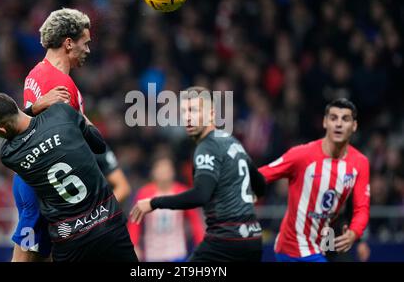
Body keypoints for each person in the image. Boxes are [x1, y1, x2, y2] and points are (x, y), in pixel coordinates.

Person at [13, 8, 130, 261]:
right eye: (85, 43)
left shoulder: (35, 72)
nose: (88, 50)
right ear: (68, 43)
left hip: (32, 181)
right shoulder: (62, 86)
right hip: (48, 188)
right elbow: (68, 145)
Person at [0, 92, 138, 262]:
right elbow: (98, 145)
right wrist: (77, 115)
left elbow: (20, 130)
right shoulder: (61, 112)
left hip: (70, 240)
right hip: (108, 223)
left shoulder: (9, 155)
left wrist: (33, 108)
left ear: (1, 129)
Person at [130, 86, 266, 262]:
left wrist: (154, 203)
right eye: (184, 111)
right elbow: (260, 186)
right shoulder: (232, 142)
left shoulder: (206, 147)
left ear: (211, 114)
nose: (187, 117)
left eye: (193, 110)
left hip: (225, 241)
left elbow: (200, 195)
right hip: (252, 238)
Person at [258, 98, 370, 262]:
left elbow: (362, 208)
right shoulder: (302, 155)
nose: (338, 124)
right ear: (325, 122)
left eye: (345, 119)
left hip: (328, 239)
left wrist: (355, 233)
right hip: (295, 246)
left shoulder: (360, 162)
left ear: (354, 126)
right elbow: (263, 174)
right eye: (333, 118)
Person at [128, 156, 205, 262]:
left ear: (173, 172)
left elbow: (195, 222)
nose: (164, 173)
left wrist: (201, 246)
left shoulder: (181, 192)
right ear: (153, 172)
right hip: (153, 254)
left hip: (176, 252)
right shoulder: (144, 193)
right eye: (160, 169)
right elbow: (135, 222)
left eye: (167, 170)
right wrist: (134, 244)